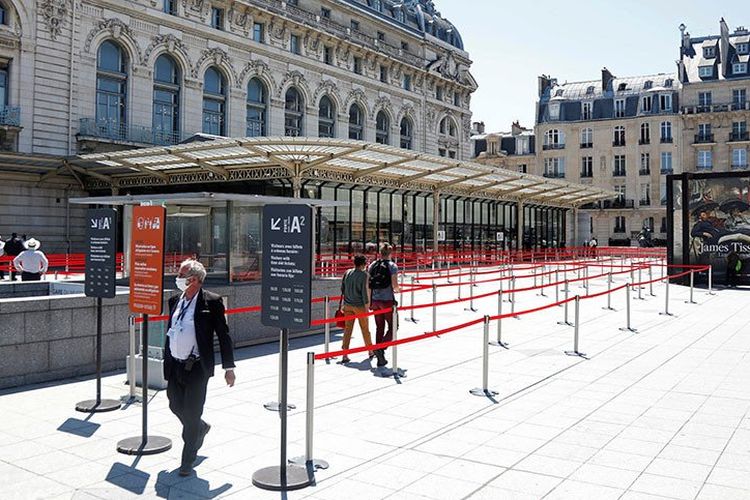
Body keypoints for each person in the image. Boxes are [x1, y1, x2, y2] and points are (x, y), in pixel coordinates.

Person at [165, 259, 236, 477]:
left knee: (192, 411)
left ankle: (188, 458)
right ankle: (201, 427)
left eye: (181, 274)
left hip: (196, 367)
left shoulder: (211, 302)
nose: (177, 278)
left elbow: (223, 335)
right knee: (175, 405)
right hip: (175, 365)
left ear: (194, 279)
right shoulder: (175, 300)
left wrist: (228, 367)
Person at [368, 243, 400, 367]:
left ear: (380, 253)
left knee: (379, 327)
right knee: (393, 327)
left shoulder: (372, 265)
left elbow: (369, 285)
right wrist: (398, 289)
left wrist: (370, 302)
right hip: (387, 301)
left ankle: (380, 357)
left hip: (375, 301)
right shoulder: (392, 266)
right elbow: (394, 285)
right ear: (390, 253)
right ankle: (380, 349)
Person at [339, 254, 374, 364]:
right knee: (365, 329)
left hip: (347, 304)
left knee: (347, 330)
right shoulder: (364, 275)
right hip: (359, 306)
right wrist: (367, 306)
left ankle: (345, 353)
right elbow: (365, 292)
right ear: (363, 264)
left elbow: (342, 288)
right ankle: (370, 351)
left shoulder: (347, 272)